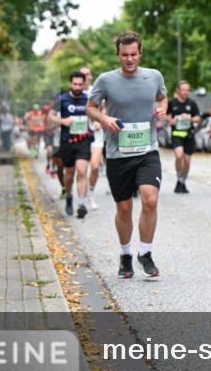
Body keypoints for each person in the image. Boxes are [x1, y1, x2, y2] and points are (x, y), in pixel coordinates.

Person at [87, 31, 168, 279]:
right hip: (118, 153)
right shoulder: (106, 80)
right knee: (123, 208)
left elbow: (163, 98)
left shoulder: (153, 76)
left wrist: (161, 111)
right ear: (118, 55)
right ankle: (125, 255)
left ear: (140, 53)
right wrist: (104, 118)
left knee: (150, 199)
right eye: (125, 55)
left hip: (147, 149)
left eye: (134, 54)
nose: (130, 59)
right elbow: (90, 108)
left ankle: (145, 253)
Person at [51, 72, 93, 218]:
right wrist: (63, 121)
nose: (77, 87)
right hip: (67, 141)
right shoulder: (62, 99)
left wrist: (98, 122)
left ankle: (81, 204)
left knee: (82, 171)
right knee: (68, 175)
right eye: (74, 84)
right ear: (70, 84)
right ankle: (69, 194)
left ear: (84, 84)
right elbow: (50, 116)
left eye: (80, 84)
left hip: (84, 140)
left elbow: (100, 111)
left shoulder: (88, 99)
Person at [167, 80, 201, 193]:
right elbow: (166, 116)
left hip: (189, 135)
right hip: (177, 134)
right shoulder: (172, 103)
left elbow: (198, 118)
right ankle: (179, 176)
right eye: (183, 90)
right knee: (179, 156)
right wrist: (172, 120)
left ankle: (182, 182)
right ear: (177, 90)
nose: (186, 92)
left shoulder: (191, 103)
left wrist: (189, 118)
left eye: (187, 90)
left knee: (187, 161)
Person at [79, 66, 106, 209]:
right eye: (82, 74)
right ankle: (80, 198)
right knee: (81, 169)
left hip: (96, 133)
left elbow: (104, 107)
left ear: (90, 76)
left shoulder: (95, 90)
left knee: (95, 166)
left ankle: (91, 193)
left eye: (87, 74)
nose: (85, 76)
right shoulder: (75, 91)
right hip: (80, 135)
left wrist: (99, 120)